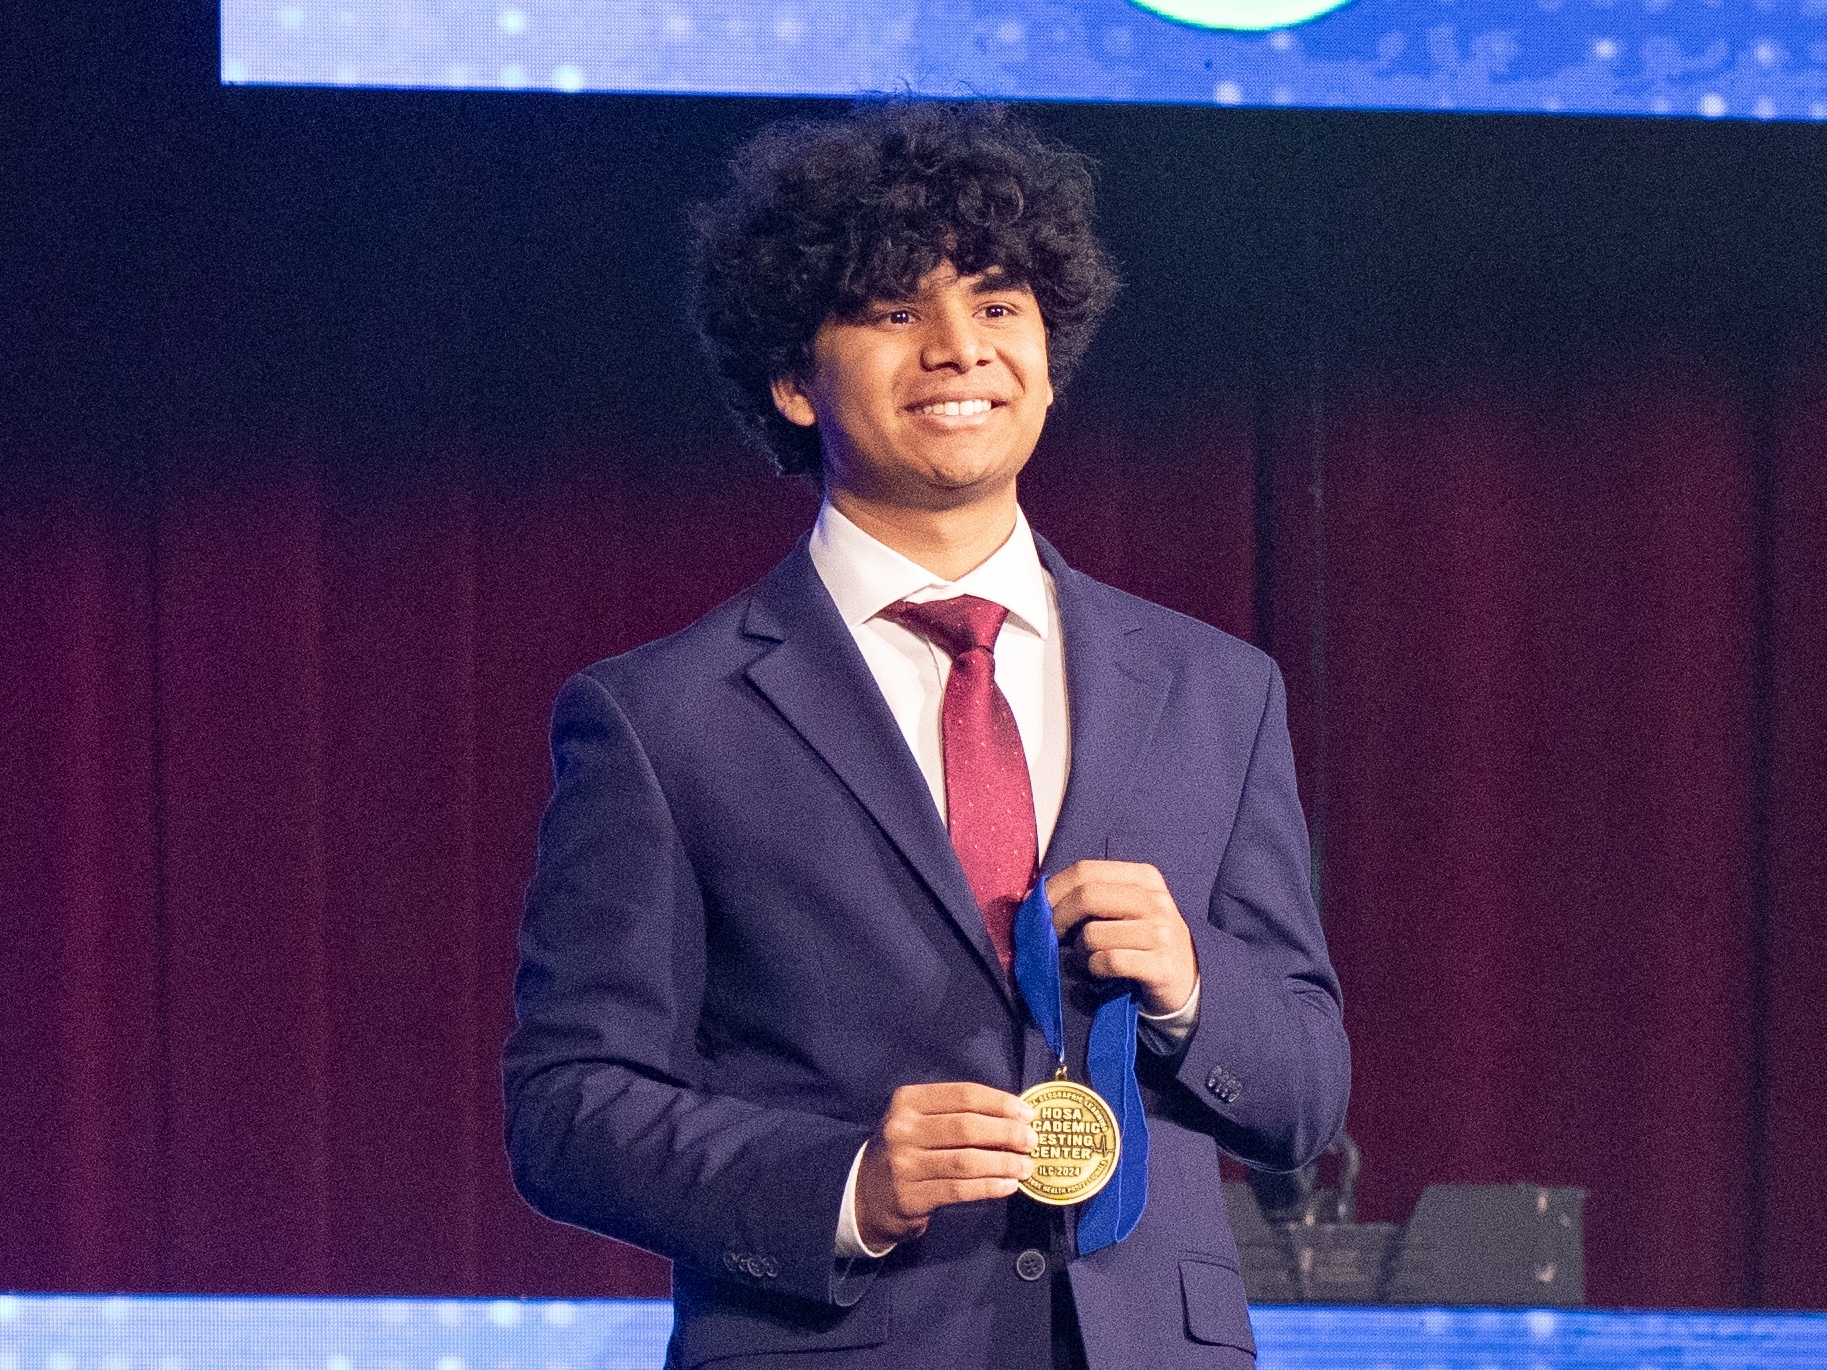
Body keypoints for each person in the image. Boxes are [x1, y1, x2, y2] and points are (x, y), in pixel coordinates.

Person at [502, 101, 1349, 1370]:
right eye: (897, 312)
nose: (962, 348)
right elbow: (568, 1106)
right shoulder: (660, 717)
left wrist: (1190, 985)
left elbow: (1306, 1092)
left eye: (1001, 306)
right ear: (794, 378)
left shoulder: (1216, 688)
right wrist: (845, 1182)